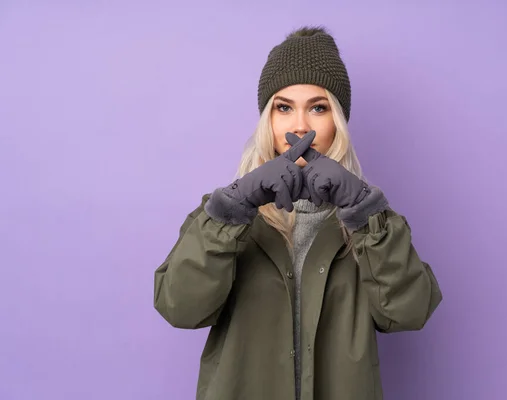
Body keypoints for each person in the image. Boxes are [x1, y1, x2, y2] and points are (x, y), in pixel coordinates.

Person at [153, 25, 442, 400]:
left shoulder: (372, 223)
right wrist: (235, 209)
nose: (300, 126)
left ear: (337, 121)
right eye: (283, 107)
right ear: (267, 121)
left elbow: (410, 312)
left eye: (318, 107)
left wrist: (362, 211)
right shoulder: (221, 217)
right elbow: (181, 308)